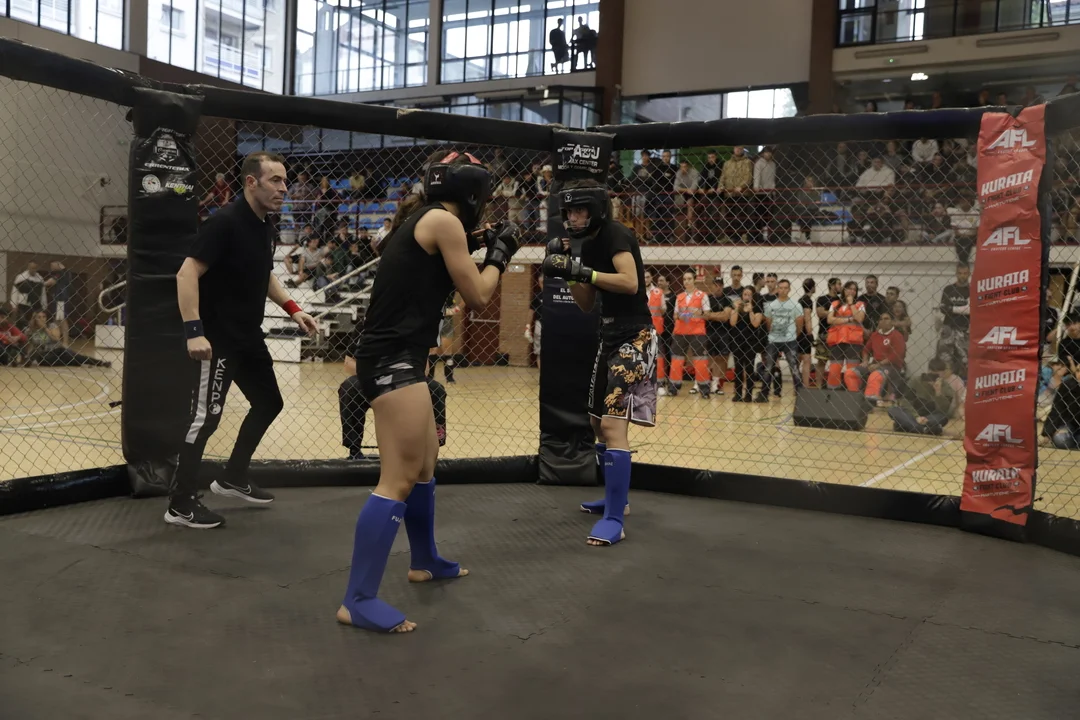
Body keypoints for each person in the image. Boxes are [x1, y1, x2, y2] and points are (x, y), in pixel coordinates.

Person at [337, 150, 518, 633]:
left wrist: (479, 243)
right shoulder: (443, 222)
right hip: (393, 360)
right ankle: (357, 600)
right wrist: (500, 254)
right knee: (397, 478)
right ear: (473, 194)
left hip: (399, 357)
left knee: (424, 465)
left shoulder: (428, 219)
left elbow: (428, 270)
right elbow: (479, 295)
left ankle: (424, 560)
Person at [170, 152, 319, 530]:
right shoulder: (225, 222)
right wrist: (194, 331)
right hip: (217, 340)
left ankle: (233, 477)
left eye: (285, 181)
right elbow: (186, 274)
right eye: (275, 181)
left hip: (248, 337)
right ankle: (180, 504)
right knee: (205, 419)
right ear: (251, 182)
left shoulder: (265, 224)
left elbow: (264, 274)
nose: (284, 188)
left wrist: (293, 309)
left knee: (269, 402)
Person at [542, 178, 655, 547]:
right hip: (608, 336)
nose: (573, 217)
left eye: (580, 210)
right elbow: (586, 302)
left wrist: (584, 271)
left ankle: (614, 520)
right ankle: (615, 500)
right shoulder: (587, 245)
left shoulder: (615, 234)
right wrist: (569, 270)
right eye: (569, 211)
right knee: (595, 422)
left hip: (635, 336)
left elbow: (629, 282)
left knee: (612, 424)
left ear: (595, 210)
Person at [338, 351, 447, 461]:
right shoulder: (366, 339)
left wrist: (402, 376)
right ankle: (354, 449)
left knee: (435, 389)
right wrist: (375, 374)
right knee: (350, 387)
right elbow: (348, 363)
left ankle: (432, 444)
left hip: (406, 377)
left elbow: (424, 368)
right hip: (372, 378)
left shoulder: (414, 339)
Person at [668, 269, 713, 397]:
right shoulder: (679, 297)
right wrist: (684, 315)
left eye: (689, 279)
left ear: (694, 280)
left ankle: (704, 389)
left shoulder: (702, 295)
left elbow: (707, 314)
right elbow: (675, 315)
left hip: (697, 332)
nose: (686, 281)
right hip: (680, 332)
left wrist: (699, 313)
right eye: (684, 279)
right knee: (676, 360)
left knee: (700, 361)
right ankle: (673, 387)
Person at [757, 279, 804, 402]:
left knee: (794, 368)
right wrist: (775, 334)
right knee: (768, 368)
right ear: (777, 289)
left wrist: (793, 335)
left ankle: (801, 396)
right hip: (773, 340)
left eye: (785, 288)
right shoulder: (771, 305)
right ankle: (764, 394)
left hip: (790, 340)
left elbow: (800, 324)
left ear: (789, 289)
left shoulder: (795, 305)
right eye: (781, 288)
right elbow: (768, 323)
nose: (783, 290)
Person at [887, 358, 955, 435]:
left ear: (943, 374)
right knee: (893, 410)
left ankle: (908, 426)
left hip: (931, 416)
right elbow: (906, 401)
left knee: (943, 417)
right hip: (913, 414)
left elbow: (944, 410)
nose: (934, 378)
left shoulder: (946, 388)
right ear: (928, 371)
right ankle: (923, 428)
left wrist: (938, 393)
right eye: (933, 375)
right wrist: (917, 417)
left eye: (938, 375)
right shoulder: (916, 381)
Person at [826, 281, 867, 391]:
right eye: (849, 288)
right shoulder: (835, 303)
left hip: (853, 341)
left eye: (854, 289)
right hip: (836, 340)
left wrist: (851, 304)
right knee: (834, 368)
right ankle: (833, 392)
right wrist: (848, 319)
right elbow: (829, 319)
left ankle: (853, 392)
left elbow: (859, 318)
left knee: (852, 369)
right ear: (844, 290)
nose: (852, 291)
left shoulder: (860, 304)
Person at [729, 286, 765, 402]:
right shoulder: (737, 307)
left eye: (749, 295)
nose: (747, 297)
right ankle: (738, 393)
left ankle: (748, 394)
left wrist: (750, 311)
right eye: (745, 294)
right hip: (737, 341)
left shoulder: (757, 308)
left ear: (753, 297)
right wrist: (736, 308)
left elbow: (755, 324)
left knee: (749, 368)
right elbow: (732, 323)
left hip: (751, 341)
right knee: (738, 367)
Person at [428, 293, 463, 383]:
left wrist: (455, 309)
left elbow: (467, 296)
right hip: (433, 314)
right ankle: (430, 376)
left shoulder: (454, 285)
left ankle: (449, 377)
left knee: (447, 349)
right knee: (432, 349)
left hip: (447, 316)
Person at [797, 279, 816, 388]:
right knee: (807, 360)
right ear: (812, 287)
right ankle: (806, 386)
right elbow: (807, 317)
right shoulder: (807, 300)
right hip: (804, 333)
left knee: (798, 360)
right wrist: (809, 333)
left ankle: (796, 385)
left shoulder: (800, 299)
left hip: (798, 333)